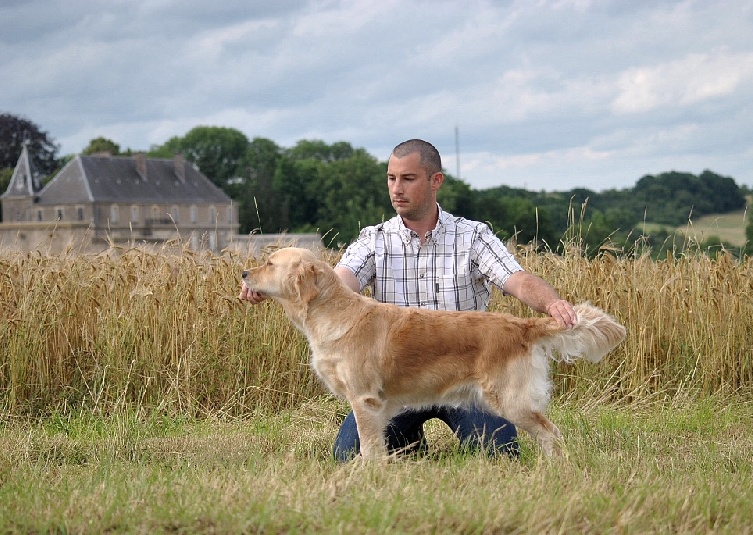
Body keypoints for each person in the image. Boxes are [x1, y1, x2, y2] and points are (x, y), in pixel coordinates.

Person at [240, 138, 576, 461]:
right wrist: (275, 286)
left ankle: (549, 447)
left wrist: (551, 305)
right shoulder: (374, 239)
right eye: (391, 178)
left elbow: (517, 279)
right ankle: (409, 447)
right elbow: (337, 285)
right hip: (397, 392)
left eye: (408, 178)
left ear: (435, 181)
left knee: (499, 455)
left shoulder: (473, 236)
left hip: (466, 375)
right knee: (346, 454)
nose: (396, 188)